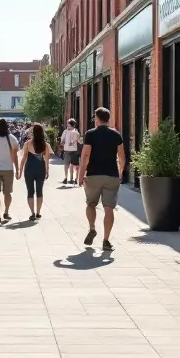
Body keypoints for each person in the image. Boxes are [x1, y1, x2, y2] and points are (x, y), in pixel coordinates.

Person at [77, 107, 126, 252]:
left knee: (91, 204)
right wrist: (120, 171)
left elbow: (85, 155)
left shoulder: (90, 134)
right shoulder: (116, 135)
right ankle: (106, 240)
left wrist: (80, 175)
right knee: (109, 208)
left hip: (93, 174)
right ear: (108, 118)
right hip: (111, 175)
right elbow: (122, 156)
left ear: (97, 119)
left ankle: (92, 228)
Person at [18, 122, 50, 220]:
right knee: (39, 192)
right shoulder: (46, 145)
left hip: (29, 169)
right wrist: (47, 170)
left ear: (33, 132)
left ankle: (32, 213)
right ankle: (38, 213)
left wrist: (20, 170)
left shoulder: (27, 143)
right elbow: (46, 159)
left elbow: (23, 159)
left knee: (30, 191)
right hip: (40, 169)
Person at [60, 118, 82, 185]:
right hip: (66, 150)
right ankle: (66, 178)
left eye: (69, 125)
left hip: (74, 150)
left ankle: (74, 178)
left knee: (75, 165)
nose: (68, 127)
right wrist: (62, 142)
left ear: (73, 125)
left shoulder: (76, 132)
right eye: (68, 125)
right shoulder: (65, 131)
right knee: (66, 165)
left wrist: (78, 139)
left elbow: (80, 142)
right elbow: (62, 139)